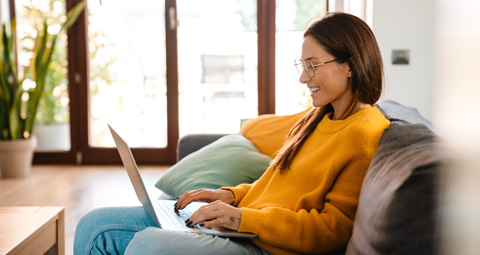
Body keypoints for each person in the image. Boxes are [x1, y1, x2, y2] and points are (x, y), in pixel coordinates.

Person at [74, 12, 390, 255]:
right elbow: (277, 185)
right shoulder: (319, 117)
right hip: (245, 226)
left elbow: (333, 230)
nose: (303, 78)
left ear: (350, 65)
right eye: (301, 65)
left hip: (267, 246)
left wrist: (239, 219)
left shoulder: (364, 133)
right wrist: (229, 196)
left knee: (148, 246)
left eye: (312, 64)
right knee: (95, 223)